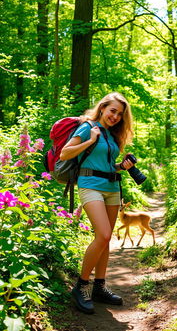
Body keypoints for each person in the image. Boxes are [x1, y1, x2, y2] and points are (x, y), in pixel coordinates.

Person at [60, 92, 134, 314]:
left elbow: (108, 164)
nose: (115, 116)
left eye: (120, 114)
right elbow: (64, 154)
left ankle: (99, 287)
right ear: (102, 108)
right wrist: (91, 140)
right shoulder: (87, 127)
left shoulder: (112, 136)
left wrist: (121, 166)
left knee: (106, 238)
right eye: (112, 111)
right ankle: (81, 286)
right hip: (90, 185)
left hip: (112, 188)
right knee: (102, 235)